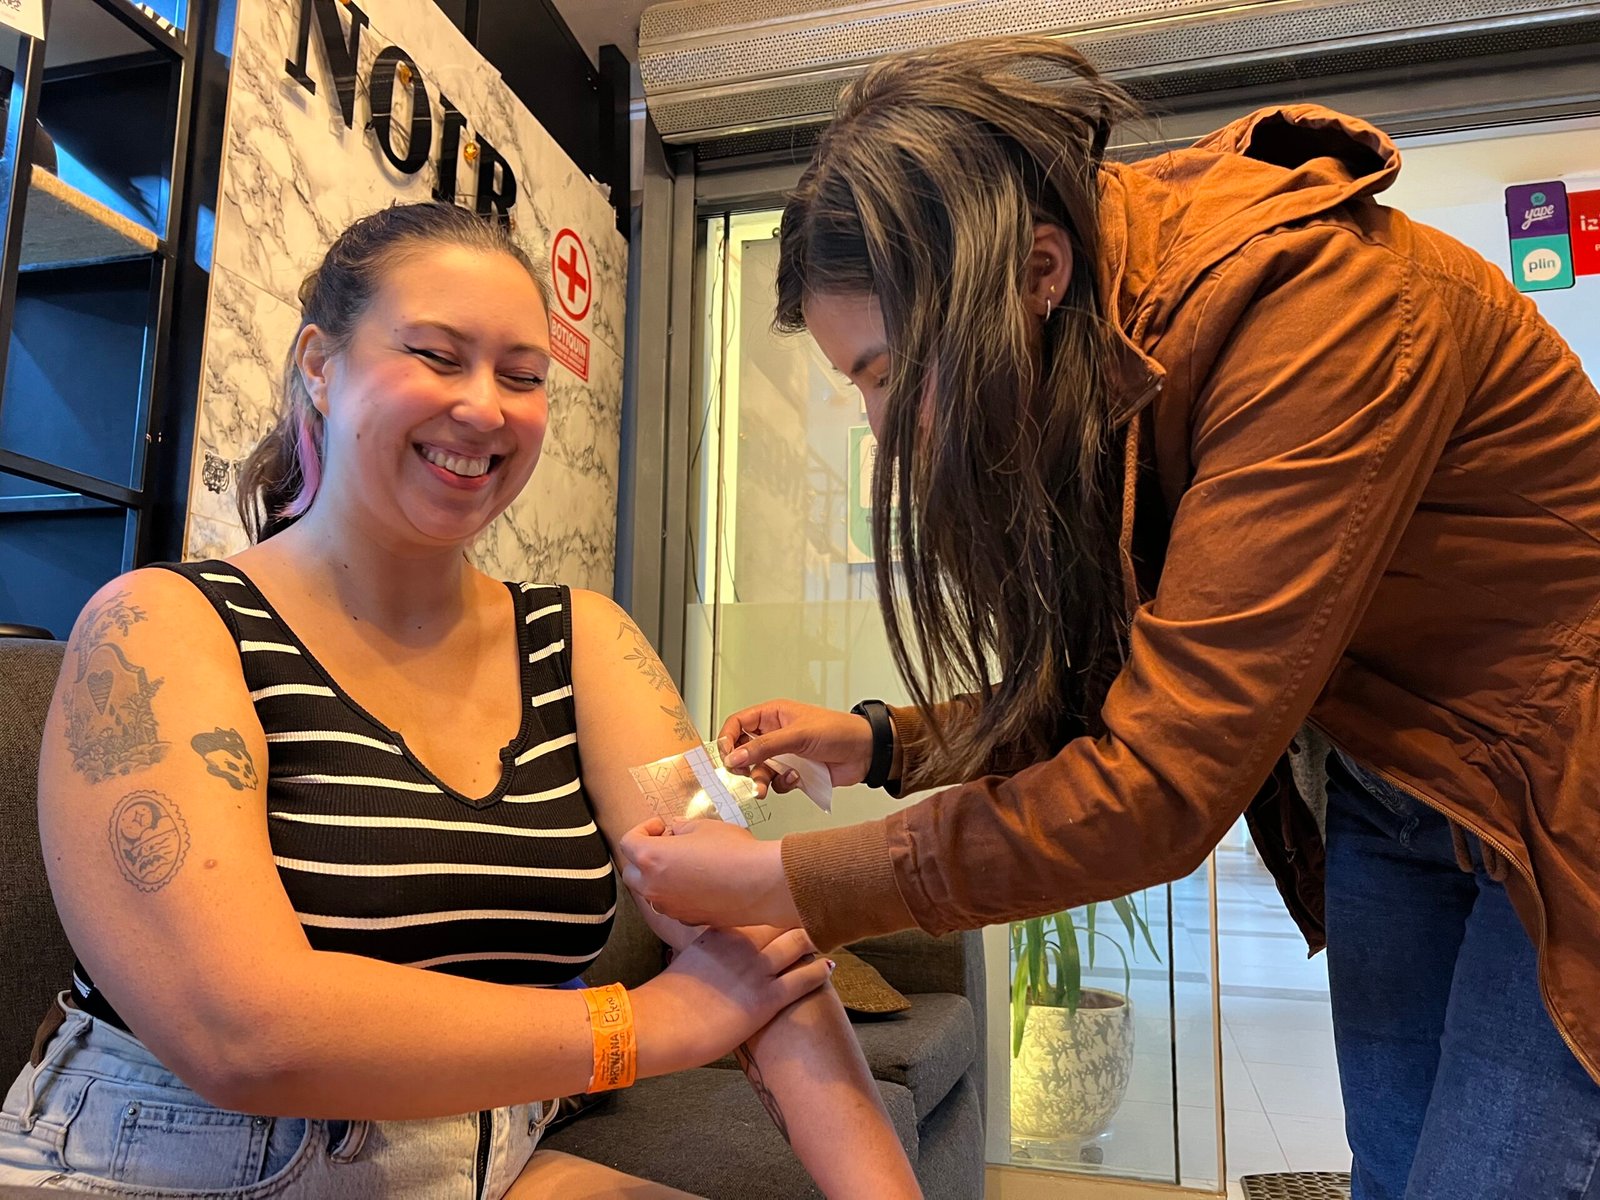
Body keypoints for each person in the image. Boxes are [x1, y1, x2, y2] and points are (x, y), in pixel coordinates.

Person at [619, 36, 1600, 1200]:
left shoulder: (1321, 313)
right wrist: (881, 742)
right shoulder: (1098, 348)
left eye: (888, 373)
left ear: (1039, 269)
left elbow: (1159, 787)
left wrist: (790, 886)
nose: (881, 428)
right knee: (1391, 1171)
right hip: (1395, 789)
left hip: (1564, 787)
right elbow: (1111, 688)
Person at [0, 202, 920, 1199]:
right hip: (171, 1163)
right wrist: (637, 1027)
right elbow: (241, 1032)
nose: (486, 407)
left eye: (523, 376)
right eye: (437, 356)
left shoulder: (589, 644)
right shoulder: (161, 628)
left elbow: (743, 927)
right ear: (321, 363)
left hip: (478, 1152)